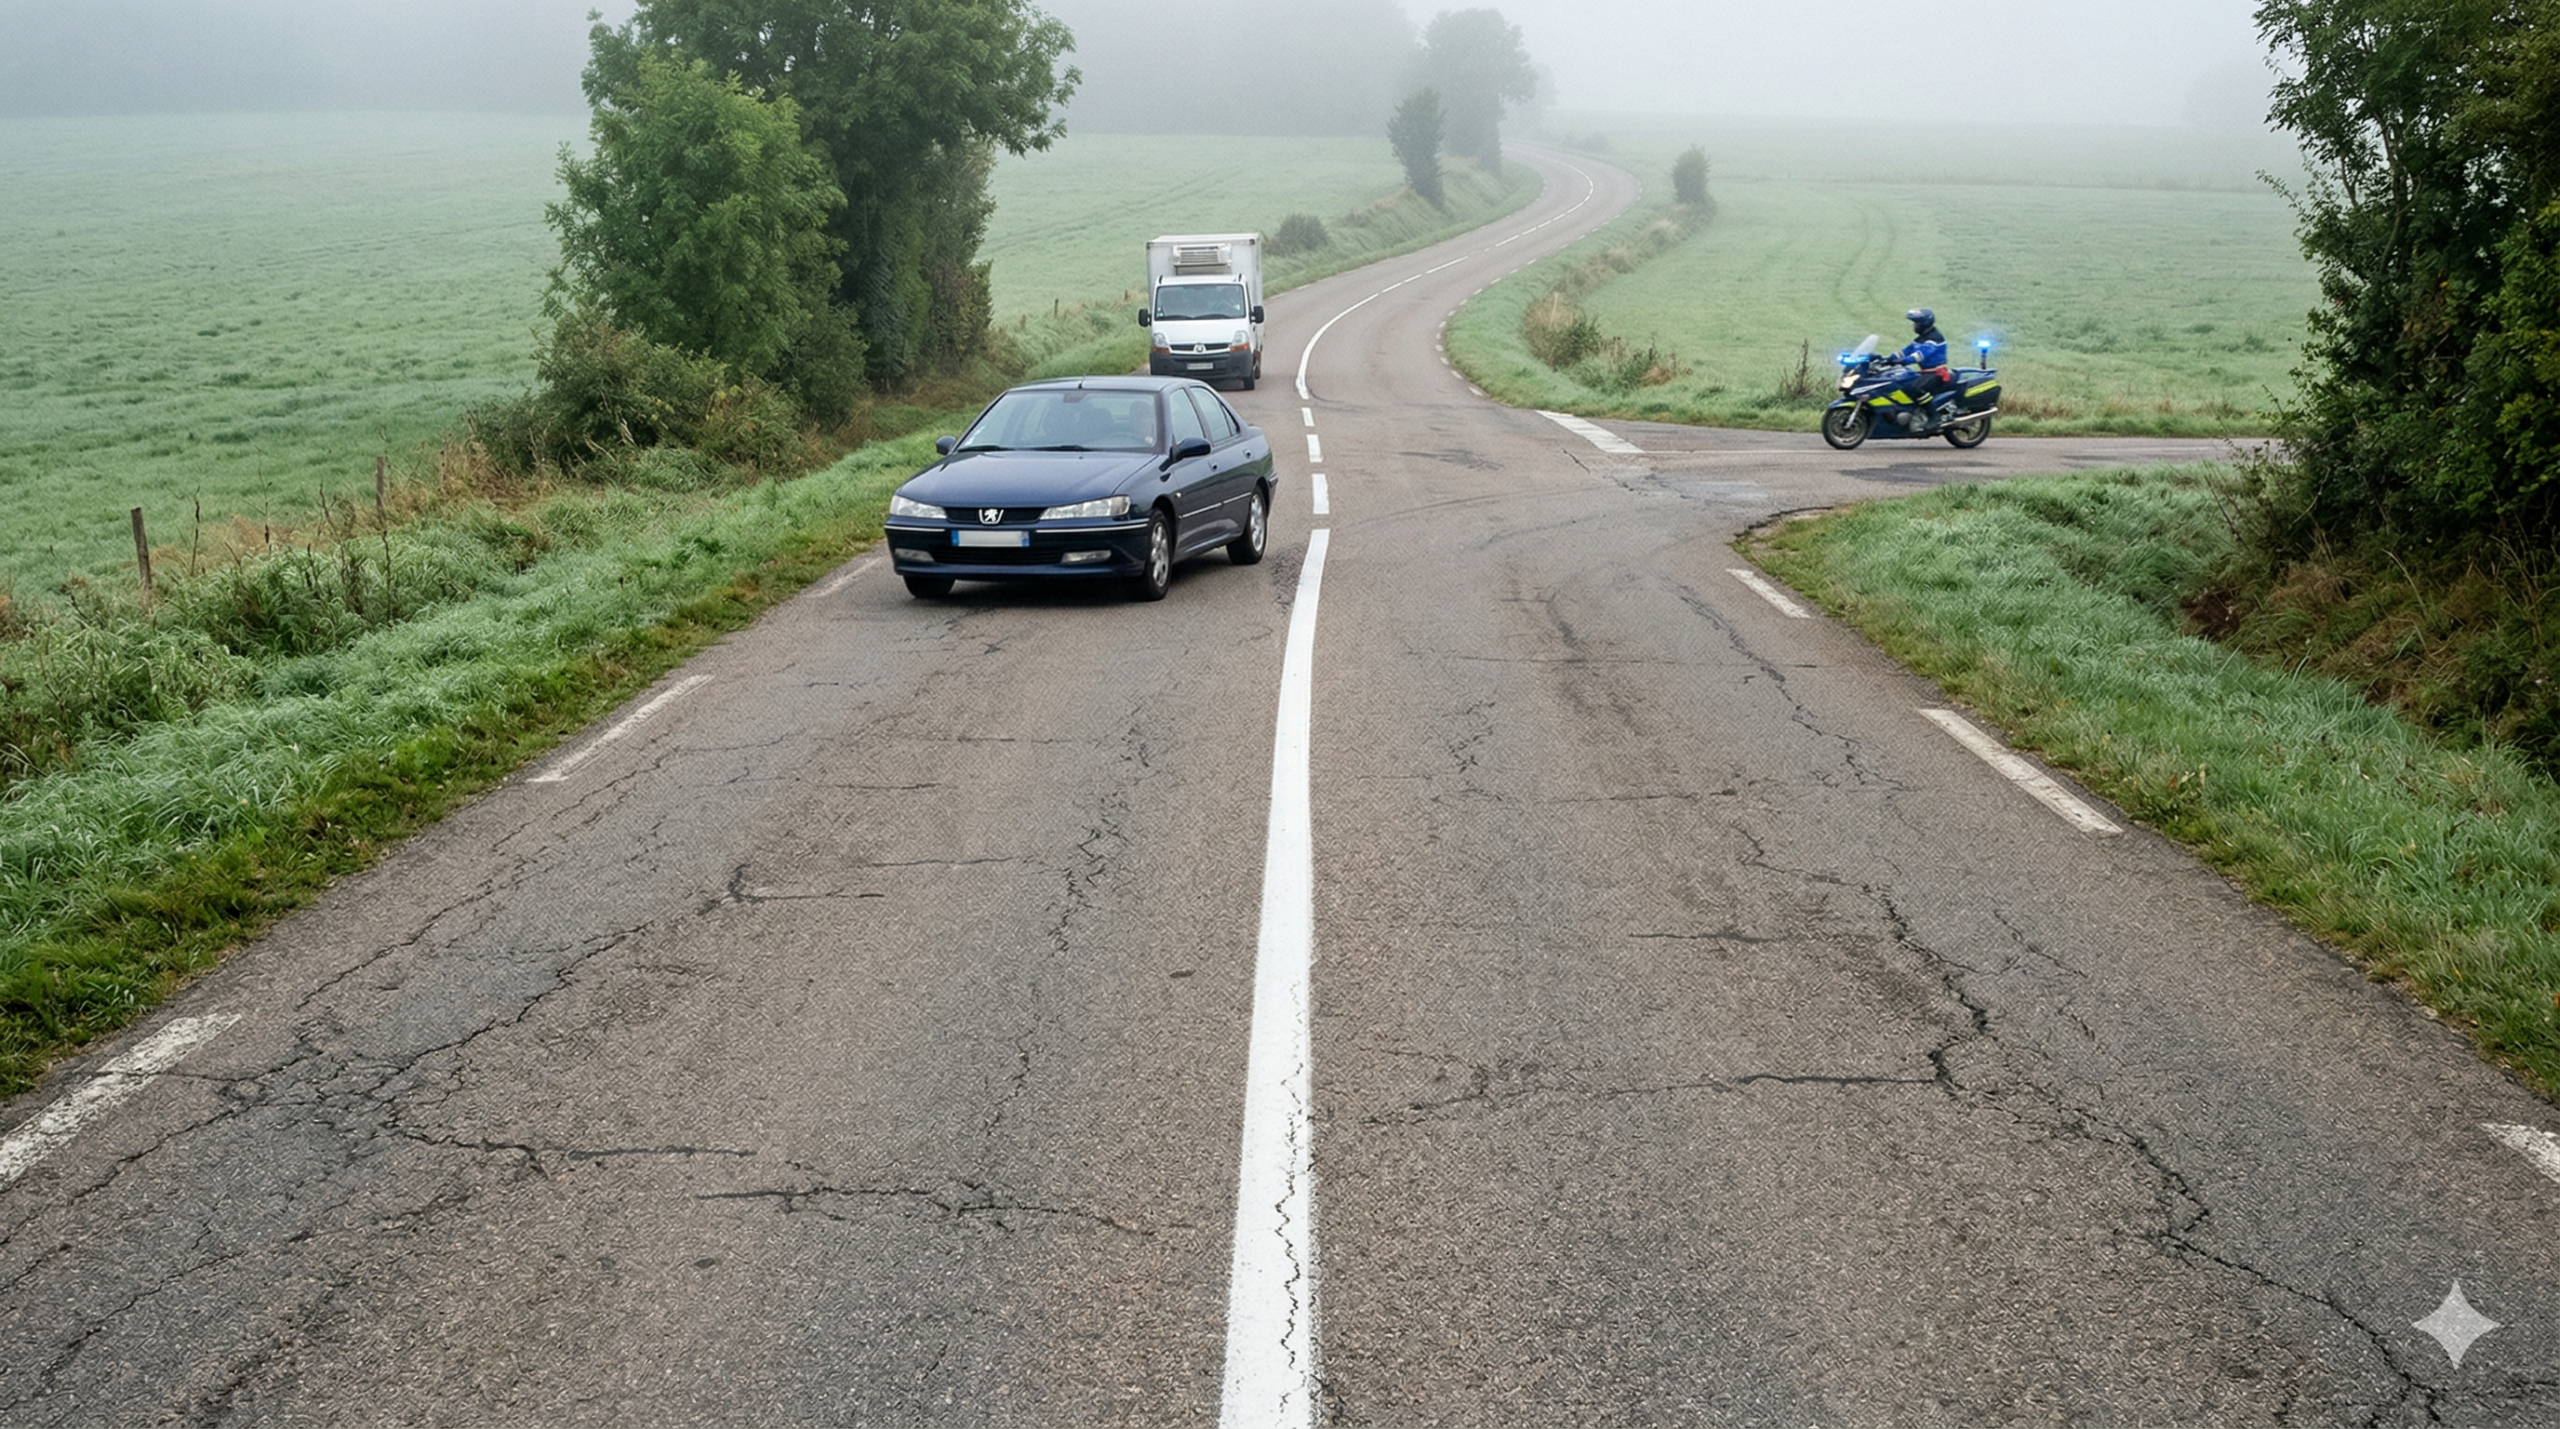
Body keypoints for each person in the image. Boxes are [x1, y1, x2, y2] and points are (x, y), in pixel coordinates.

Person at [1897, 307, 1955, 407]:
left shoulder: (1934, 338)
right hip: (1925, 372)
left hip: (1935, 373)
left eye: (1916, 323)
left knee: (1914, 388)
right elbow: (1906, 351)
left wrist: (1902, 361)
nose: (1914, 325)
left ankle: (1932, 415)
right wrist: (1885, 359)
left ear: (1924, 323)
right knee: (1902, 383)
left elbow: (1920, 355)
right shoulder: (1921, 338)